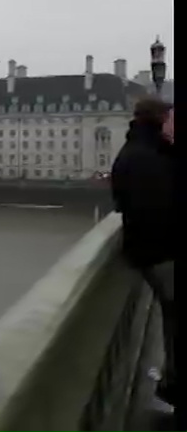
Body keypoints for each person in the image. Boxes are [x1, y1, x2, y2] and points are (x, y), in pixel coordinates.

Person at [110, 98, 175, 406]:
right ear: (160, 119)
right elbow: (155, 210)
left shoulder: (148, 152)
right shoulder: (144, 158)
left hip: (154, 251)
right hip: (160, 252)